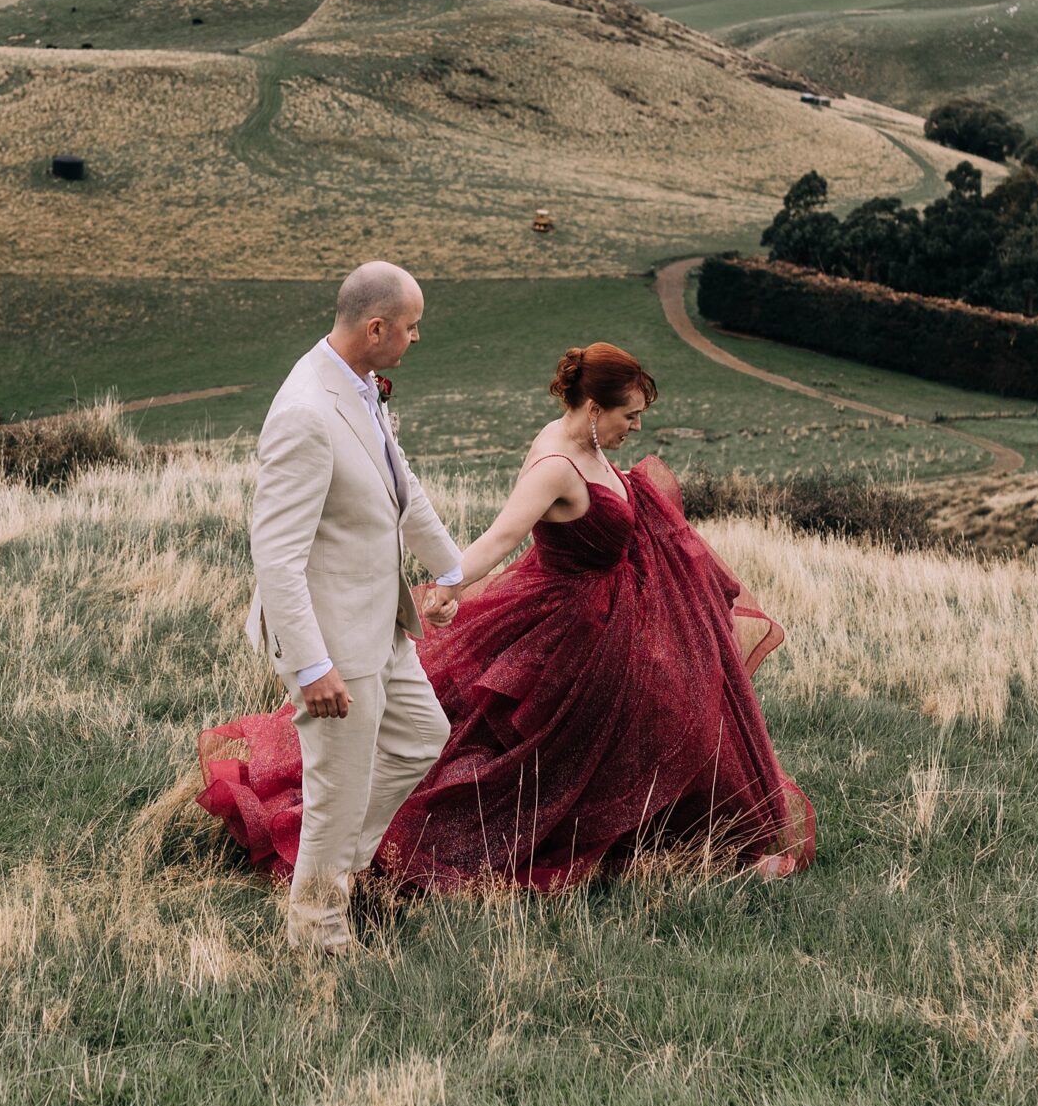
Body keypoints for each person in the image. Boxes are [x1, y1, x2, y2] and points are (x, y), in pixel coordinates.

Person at [200, 340, 812, 923]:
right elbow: (498, 538)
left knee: (669, 716)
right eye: (630, 415)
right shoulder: (554, 464)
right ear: (594, 408)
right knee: (531, 751)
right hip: (569, 625)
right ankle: (374, 851)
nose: (637, 429)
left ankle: (691, 840)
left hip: (612, 613)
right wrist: (449, 585)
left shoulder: (587, 444)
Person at [236, 261, 468, 955]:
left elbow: (403, 487)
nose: (416, 337)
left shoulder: (359, 387)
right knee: (338, 788)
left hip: (381, 625)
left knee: (422, 734)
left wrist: (453, 567)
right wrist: (312, 665)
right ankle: (317, 937)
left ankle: (332, 862)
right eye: (410, 326)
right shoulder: (306, 411)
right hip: (332, 638)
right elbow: (275, 556)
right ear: (375, 328)